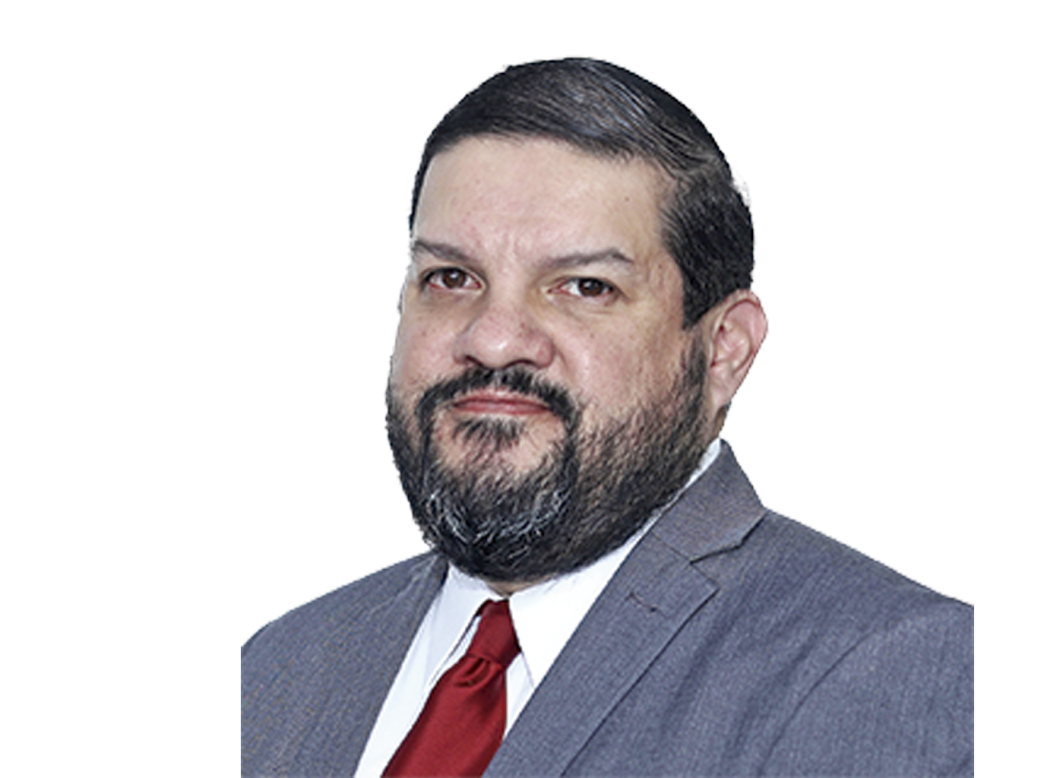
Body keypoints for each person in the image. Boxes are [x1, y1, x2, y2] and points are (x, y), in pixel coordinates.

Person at [240, 57, 975, 777]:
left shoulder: (893, 667)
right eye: (451, 277)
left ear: (723, 349)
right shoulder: (277, 669)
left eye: (585, 286)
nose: (493, 339)